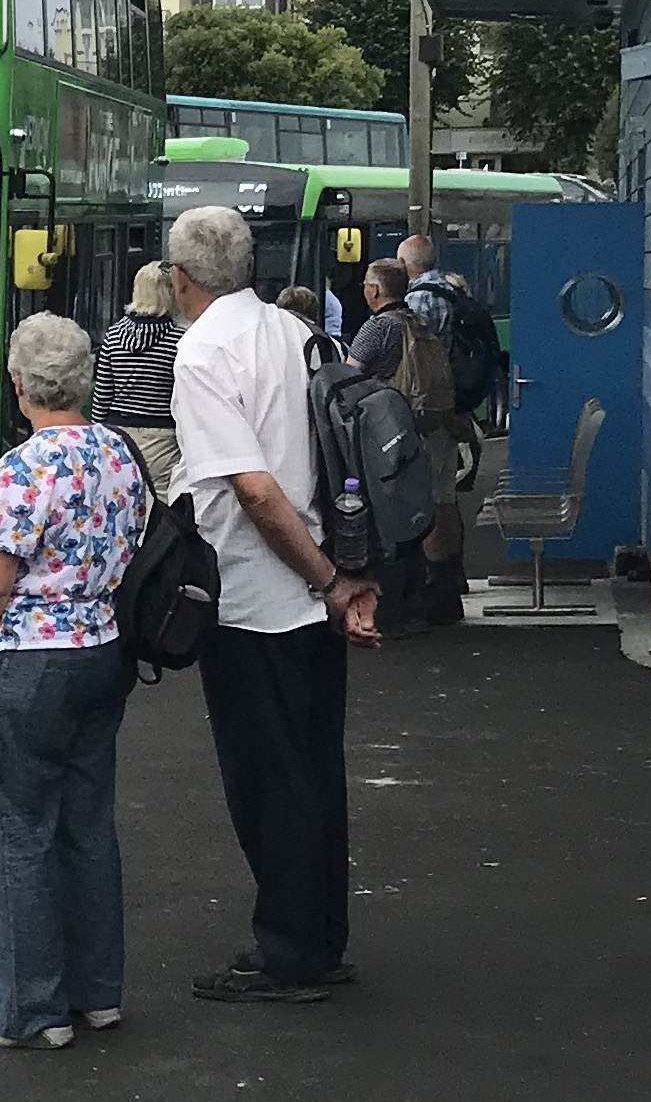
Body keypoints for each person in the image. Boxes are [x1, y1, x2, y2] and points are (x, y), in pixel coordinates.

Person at [165, 205, 380, 1004]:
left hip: (256, 598)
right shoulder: (297, 334)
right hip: (316, 594)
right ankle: (321, 938)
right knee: (316, 771)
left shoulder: (204, 351)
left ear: (179, 278)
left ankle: (287, 953)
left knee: (267, 780)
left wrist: (323, 579)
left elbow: (251, 488)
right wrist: (343, 578)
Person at [0, 312, 147, 1050]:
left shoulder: (22, 467)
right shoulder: (117, 454)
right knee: (85, 825)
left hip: (26, 659)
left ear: (19, 383)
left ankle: (29, 1006)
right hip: (100, 649)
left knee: (15, 831)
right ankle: (96, 990)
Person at [343, 258, 454, 635]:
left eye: (365, 285)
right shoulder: (416, 323)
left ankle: (394, 608)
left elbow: (348, 375)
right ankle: (426, 599)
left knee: (386, 517)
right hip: (420, 426)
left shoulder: (377, 328)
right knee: (419, 509)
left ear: (374, 291)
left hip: (387, 431)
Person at [394, 235, 489, 621]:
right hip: (453, 408)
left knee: (432, 497)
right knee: (446, 496)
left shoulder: (419, 300)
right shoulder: (450, 289)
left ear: (408, 263)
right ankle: (455, 573)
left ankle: (440, 586)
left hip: (432, 413)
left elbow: (416, 362)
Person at [91, 262, 183, 487]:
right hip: (162, 440)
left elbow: (102, 396)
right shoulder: (179, 341)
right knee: (160, 506)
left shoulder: (113, 335)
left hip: (116, 436)